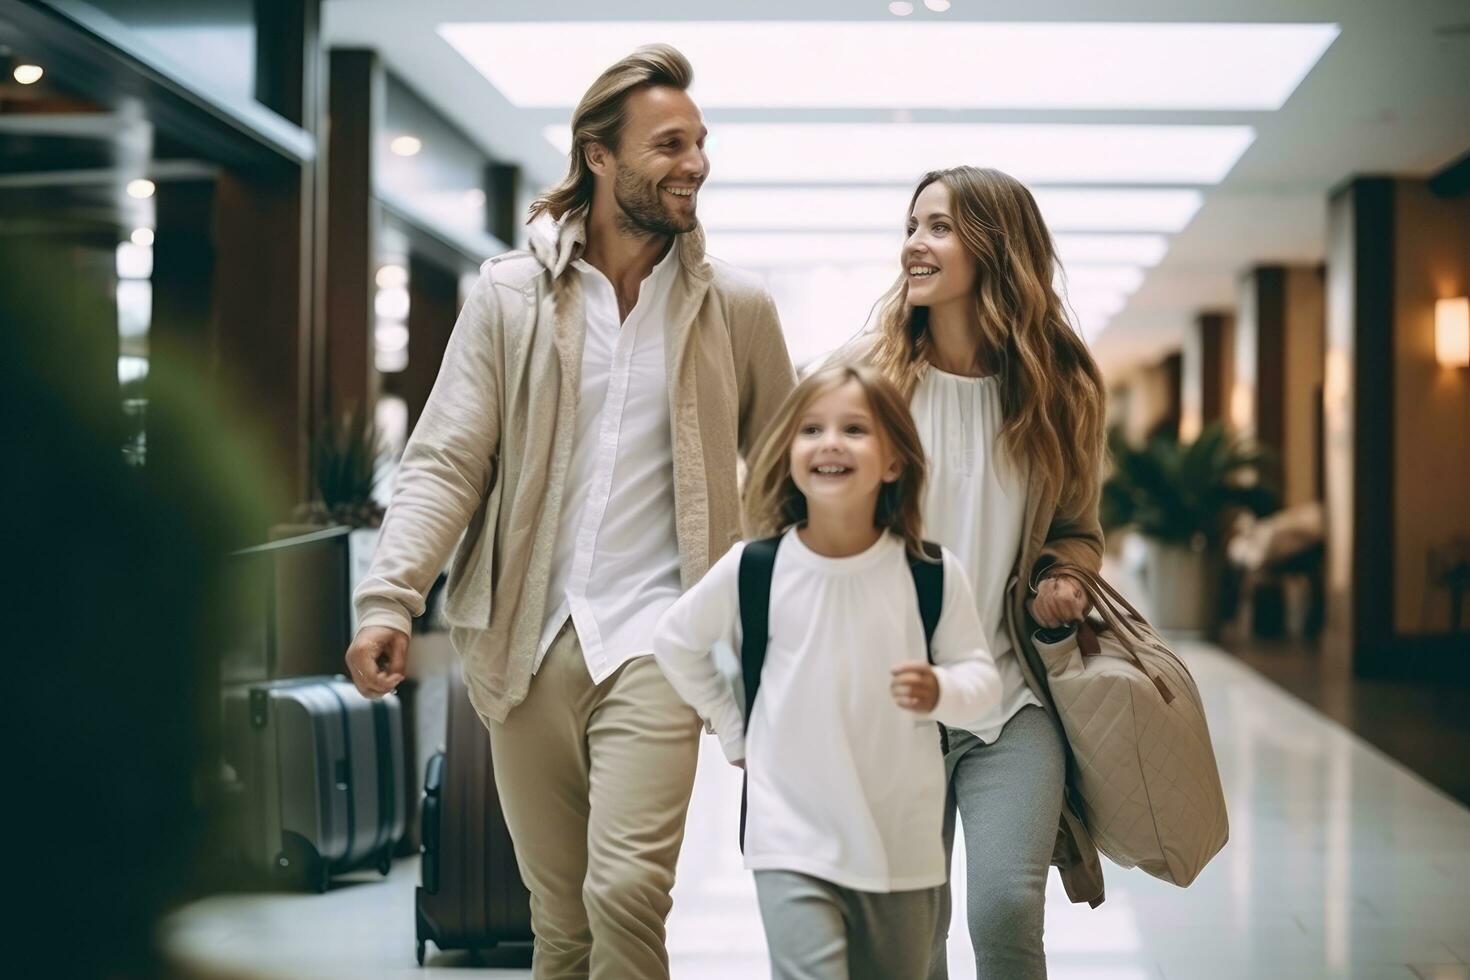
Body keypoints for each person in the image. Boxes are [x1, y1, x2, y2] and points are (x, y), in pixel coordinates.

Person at [344, 44, 796, 979]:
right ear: (600, 154)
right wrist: (390, 597)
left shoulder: (735, 310)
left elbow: (791, 474)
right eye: (670, 144)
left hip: (666, 639)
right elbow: (446, 459)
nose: (696, 164)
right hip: (525, 639)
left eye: (701, 143)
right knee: (558, 924)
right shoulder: (511, 296)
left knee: (625, 894)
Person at [843, 166, 1110, 978]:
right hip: (893, 708)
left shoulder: (1059, 390)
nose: (914, 246)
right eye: (912, 226)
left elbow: (1078, 530)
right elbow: (794, 524)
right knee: (909, 941)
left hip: (1013, 700)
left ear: (995, 248)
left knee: (1003, 912)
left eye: (938, 228)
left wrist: (1065, 576)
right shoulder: (868, 378)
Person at [653, 364, 1004, 980]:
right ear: (790, 453)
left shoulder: (930, 574)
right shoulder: (753, 568)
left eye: (855, 429)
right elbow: (676, 641)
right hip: (790, 837)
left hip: (901, 846)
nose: (830, 442)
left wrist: (939, 689)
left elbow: (983, 686)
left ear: (894, 462)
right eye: (810, 429)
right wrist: (737, 734)